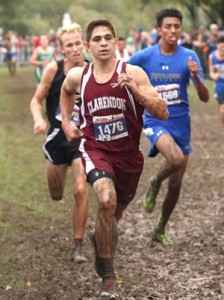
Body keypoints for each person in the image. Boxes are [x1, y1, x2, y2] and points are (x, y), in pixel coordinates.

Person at [60, 18, 168, 299]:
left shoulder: (133, 72)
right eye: (97, 39)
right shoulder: (79, 76)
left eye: (109, 38)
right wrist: (67, 123)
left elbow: (162, 112)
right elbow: (65, 91)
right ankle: (108, 276)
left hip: (129, 158)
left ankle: (100, 239)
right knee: (106, 200)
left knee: (113, 215)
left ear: (117, 42)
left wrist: (136, 90)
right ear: (88, 46)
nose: (104, 43)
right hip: (95, 150)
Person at [129, 8, 209, 246]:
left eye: (177, 26)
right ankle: (154, 182)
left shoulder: (189, 57)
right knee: (175, 159)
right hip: (155, 119)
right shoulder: (145, 56)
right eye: (168, 26)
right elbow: (123, 71)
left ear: (180, 29)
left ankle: (160, 228)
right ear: (159, 30)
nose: (173, 31)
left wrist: (195, 77)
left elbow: (204, 98)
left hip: (181, 123)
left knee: (176, 183)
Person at [30, 23, 89, 263]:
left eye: (78, 44)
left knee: (80, 189)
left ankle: (78, 245)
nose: (75, 49)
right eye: (70, 45)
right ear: (62, 48)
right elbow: (36, 100)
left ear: (84, 45)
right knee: (56, 194)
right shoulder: (53, 70)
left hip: (81, 139)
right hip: (56, 137)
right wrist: (39, 119)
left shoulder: (92, 71)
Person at [209, 35, 224, 125]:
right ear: (217, 45)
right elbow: (211, 72)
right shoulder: (212, 56)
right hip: (220, 85)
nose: (223, 48)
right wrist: (214, 76)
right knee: (222, 110)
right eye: (221, 46)